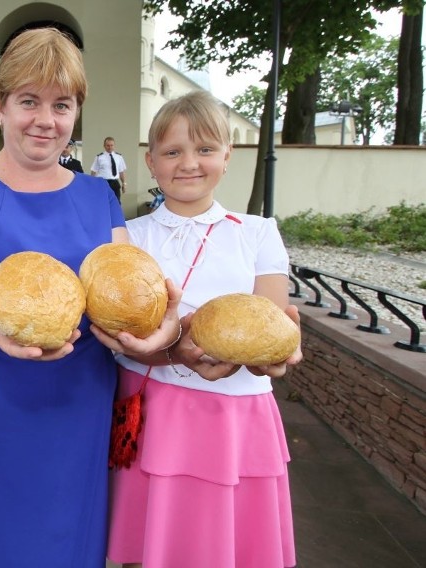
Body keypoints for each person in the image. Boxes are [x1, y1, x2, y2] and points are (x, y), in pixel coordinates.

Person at [0, 27, 181, 567]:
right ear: (1, 105)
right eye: (28, 101)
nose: (46, 119)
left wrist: (164, 329)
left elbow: (123, 296)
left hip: (74, 398)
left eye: (62, 105)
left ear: (77, 112)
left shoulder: (97, 194)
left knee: (61, 539)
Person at [102, 90, 302, 568]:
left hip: (236, 415)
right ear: (150, 162)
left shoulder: (256, 232)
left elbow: (271, 324)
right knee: (151, 539)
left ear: (228, 157)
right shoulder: (129, 236)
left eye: (205, 149)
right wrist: (173, 352)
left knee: (226, 544)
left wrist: (275, 357)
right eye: (172, 152)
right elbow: (117, 336)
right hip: (154, 407)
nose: (189, 163)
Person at [90, 136, 127, 200]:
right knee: (104, 202)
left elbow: (121, 172)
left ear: (114, 146)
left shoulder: (119, 157)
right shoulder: (99, 157)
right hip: (103, 183)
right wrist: (92, 184)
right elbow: (94, 171)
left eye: (111, 145)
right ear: (104, 146)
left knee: (116, 203)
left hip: (115, 183)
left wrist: (124, 183)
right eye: (108, 145)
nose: (110, 147)